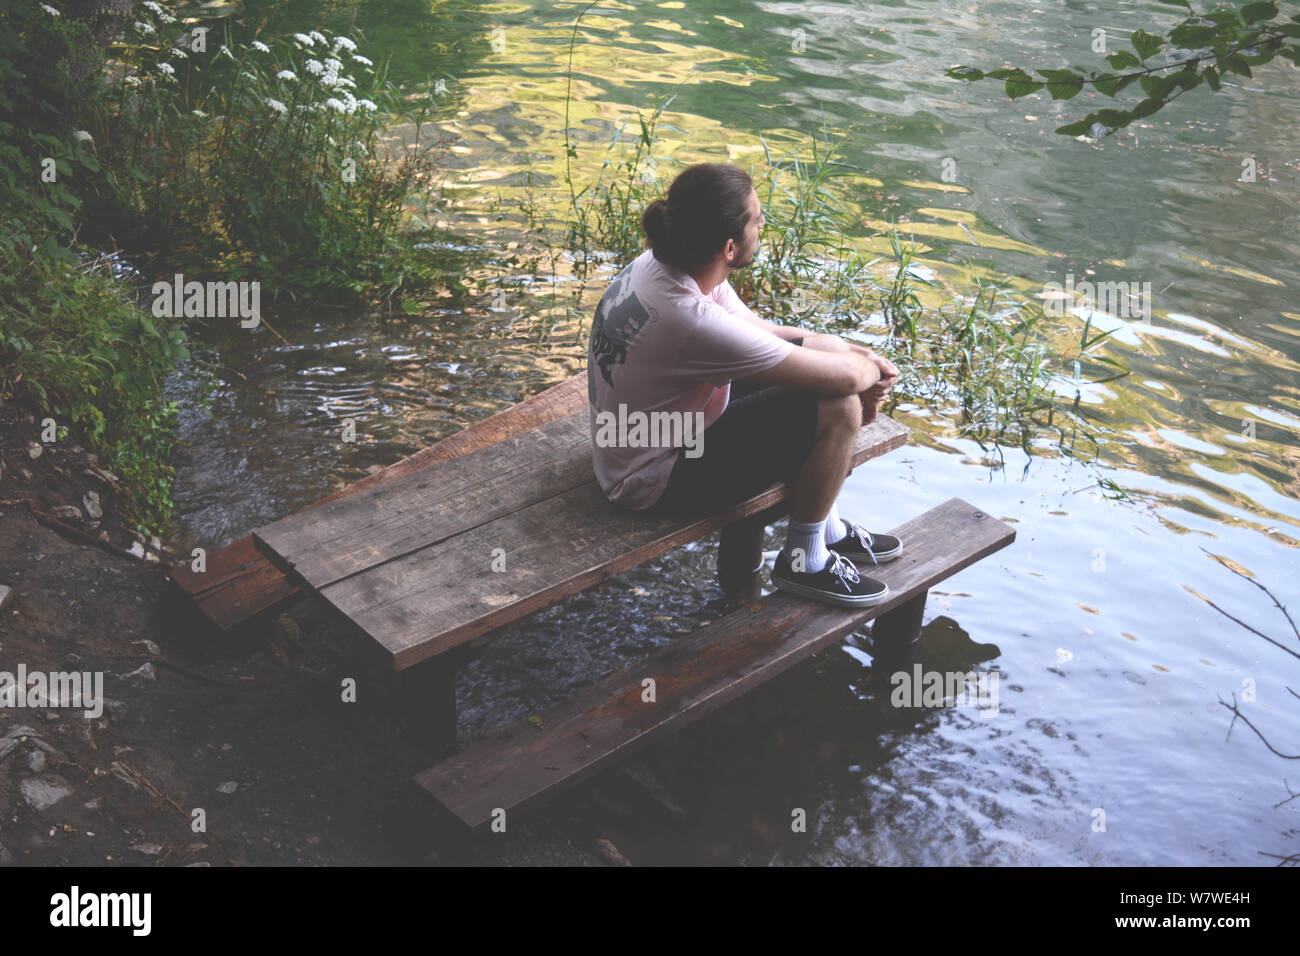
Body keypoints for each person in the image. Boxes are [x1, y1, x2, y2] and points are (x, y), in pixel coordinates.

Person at [586, 162, 902, 607]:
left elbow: (759, 331)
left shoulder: (666, 263)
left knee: (825, 372)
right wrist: (872, 370)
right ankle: (805, 562)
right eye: (757, 217)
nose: (764, 223)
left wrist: (848, 352)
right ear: (730, 247)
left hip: (651, 434)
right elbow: (847, 381)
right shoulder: (688, 318)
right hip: (649, 475)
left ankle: (824, 528)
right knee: (840, 407)